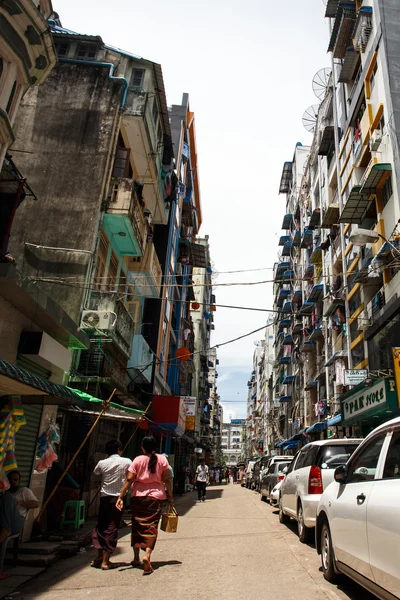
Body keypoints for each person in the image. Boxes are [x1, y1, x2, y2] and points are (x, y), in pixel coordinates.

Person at [117, 436, 173, 575]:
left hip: (138, 498)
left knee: (136, 527)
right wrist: (170, 496)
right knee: (151, 527)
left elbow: (129, 479)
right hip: (155, 499)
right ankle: (147, 556)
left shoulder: (137, 460)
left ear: (142, 447)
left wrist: (121, 496)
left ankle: (136, 558)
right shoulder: (162, 459)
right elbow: (167, 480)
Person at [91, 439, 132, 570]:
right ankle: (105, 561)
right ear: (119, 450)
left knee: (101, 525)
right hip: (118, 498)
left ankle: (99, 555)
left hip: (104, 498)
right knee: (112, 526)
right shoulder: (126, 461)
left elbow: (96, 473)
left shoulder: (102, 463)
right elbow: (131, 476)